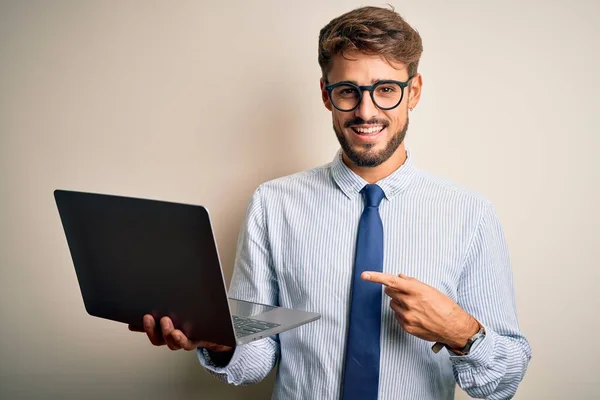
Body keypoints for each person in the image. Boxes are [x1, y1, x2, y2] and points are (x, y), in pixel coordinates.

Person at [132, 5, 532, 399]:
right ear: (326, 95)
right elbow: (254, 359)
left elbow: (503, 382)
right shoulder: (274, 204)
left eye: (386, 90)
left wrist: (460, 331)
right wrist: (221, 342)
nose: (366, 111)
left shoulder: (470, 215)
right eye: (348, 91)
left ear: (414, 92)